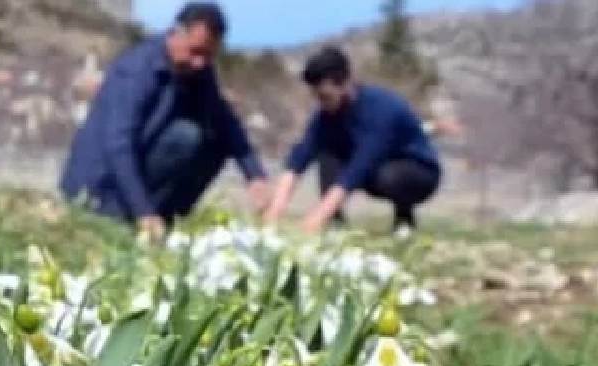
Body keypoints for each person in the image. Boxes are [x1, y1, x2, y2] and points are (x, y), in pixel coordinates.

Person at [60, 2, 269, 243]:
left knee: (216, 143)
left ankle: (163, 221)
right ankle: (132, 219)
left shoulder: (197, 70)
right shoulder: (138, 71)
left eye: (208, 56)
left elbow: (226, 122)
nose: (200, 62)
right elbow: (118, 146)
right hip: (99, 184)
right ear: (176, 34)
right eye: (195, 51)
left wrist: (254, 175)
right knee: (186, 137)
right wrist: (143, 211)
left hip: (140, 168)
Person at [264, 46, 441, 238]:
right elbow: (299, 158)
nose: (321, 103)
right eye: (317, 97)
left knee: (388, 177)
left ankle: (404, 219)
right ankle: (336, 223)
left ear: (345, 84)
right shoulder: (327, 115)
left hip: (419, 172)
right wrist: (273, 213)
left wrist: (316, 217)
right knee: (327, 151)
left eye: (325, 97)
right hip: (374, 168)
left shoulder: (382, 109)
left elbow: (359, 168)